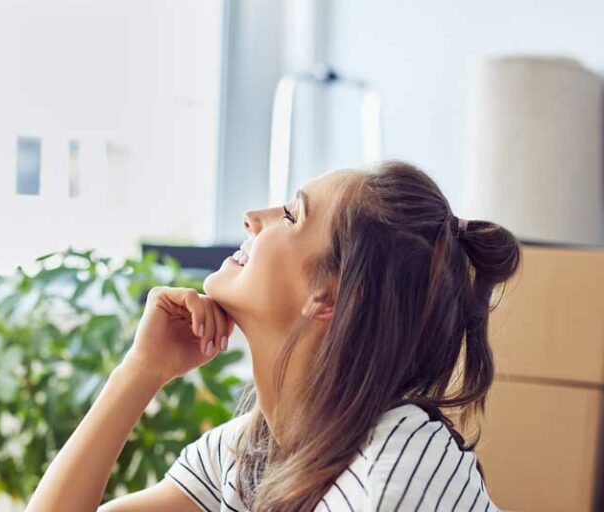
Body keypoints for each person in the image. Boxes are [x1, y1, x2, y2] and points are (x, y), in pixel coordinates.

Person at [26, 160, 521, 512]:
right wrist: (141, 370)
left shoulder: (399, 463)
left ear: (330, 294)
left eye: (290, 215)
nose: (251, 218)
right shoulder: (247, 453)